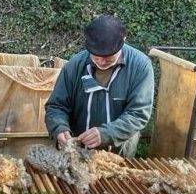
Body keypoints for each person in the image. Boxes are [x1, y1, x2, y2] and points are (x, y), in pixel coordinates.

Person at [45, 14, 154, 156]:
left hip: (119, 152)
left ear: (123, 41)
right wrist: (59, 128)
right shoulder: (75, 65)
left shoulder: (140, 66)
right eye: (96, 55)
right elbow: (56, 106)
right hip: (77, 151)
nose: (101, 61)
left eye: (108, 56)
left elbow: (138, 113)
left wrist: (107, 133)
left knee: (116, 177)